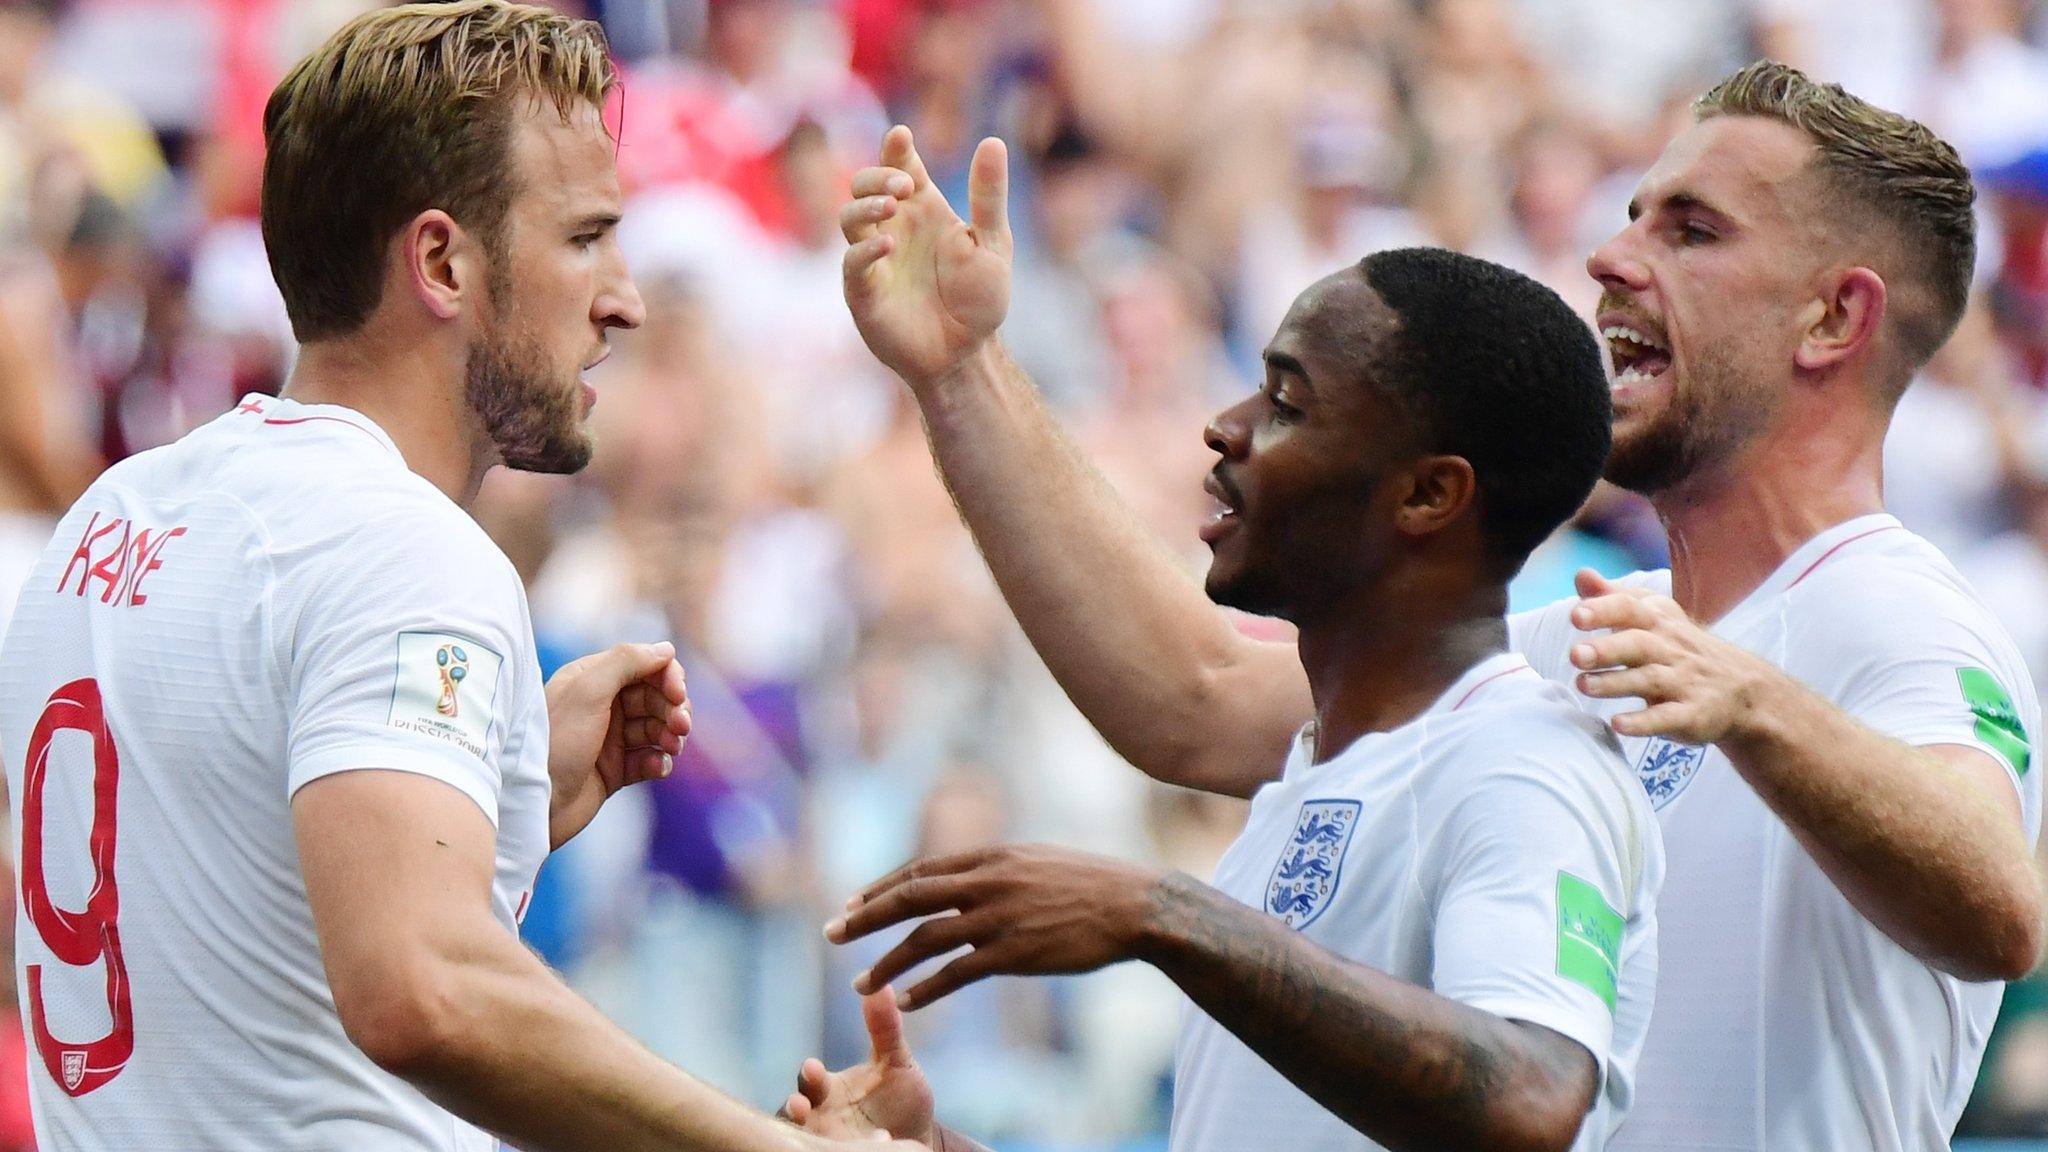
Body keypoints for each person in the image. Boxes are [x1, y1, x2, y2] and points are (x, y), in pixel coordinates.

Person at [812, 61, 2045, 1151]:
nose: (1615, 259)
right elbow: (1190, 698)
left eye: (1692, 230)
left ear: (1832, 316)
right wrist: (960, 369)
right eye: (1628, 218)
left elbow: (1997, 903)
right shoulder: (1580, 647)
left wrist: (1752, 704)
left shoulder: (1888, 617)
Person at [0, 5, 919, 1152]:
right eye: (585, 238)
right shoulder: (402, 549)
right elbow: (420, 990)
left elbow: (243, 918)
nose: (623, 297)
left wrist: (504, 786)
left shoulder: (108, 522)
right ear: (439, 260)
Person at [810, 133, 1664, 1152]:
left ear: (1429, 494)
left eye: (1286, 403)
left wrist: (1162, 912)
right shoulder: (1312, 777)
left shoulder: (1521, 767)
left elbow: (1530, 1098)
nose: (1225, 427)